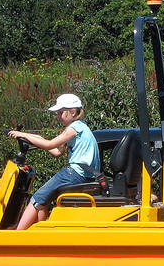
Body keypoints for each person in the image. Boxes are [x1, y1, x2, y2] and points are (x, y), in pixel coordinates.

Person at [8, 93, 99, 230]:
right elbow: (56, 152)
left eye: (61, 112)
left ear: (73, 112)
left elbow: (50, 145)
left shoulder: (74, 128)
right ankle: (43, 232)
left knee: (37, 198)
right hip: (83, 175)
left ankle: (16, 236)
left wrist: (23, 134)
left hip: (74, 173)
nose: (58, 116)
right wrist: (33, 137)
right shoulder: (81, 127)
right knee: (44, 200)